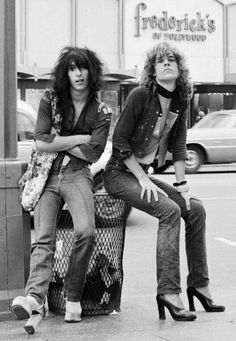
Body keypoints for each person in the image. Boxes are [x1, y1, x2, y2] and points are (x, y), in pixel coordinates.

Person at [103, 42, 225, 322]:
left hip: (142, 174)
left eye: (171, 59)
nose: (166, 63)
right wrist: (142, 177)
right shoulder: (139, 96)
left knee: (194, 209)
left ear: (180, 68)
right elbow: (119, 141)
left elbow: (179, 144)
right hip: (119, 174)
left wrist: (182, 187)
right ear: (153, 70)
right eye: (160, 61)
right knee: (169, 211)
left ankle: (199, 285)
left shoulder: (180, 101)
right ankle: (168, 292)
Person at [11, 47, 112, 330]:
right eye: (71, 68)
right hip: (47, 173)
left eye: (82, 68)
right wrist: (79, 137)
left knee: (86, 231)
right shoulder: (51, 99)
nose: (78, 73)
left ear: (92, 72)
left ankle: (73, 295)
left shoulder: (103, 111)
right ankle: (33, 298)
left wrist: (61, 139)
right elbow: (42, 142)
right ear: (64, 73)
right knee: (43, 238)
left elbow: (93, 154)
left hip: (78, 175)